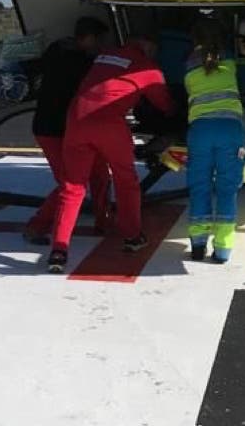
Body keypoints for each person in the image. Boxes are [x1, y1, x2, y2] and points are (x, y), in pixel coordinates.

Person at [46, 35, 175, 273]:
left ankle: (59, 250)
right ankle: (132, 236)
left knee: (72, 187)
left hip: (75, 121)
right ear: (148, 47)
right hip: (109, 124)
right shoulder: (149, 68)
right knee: (125, 180)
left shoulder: (106, 55)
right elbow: (164, 104)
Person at [23, 16, 112, 245]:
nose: (102, 46)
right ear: (90, 38)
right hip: (55, 130)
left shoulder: (58, 49)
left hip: (62, 128)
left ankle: (104, 222)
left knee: (98, 173)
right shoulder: (82, 63)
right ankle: (36, 226)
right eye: (100, 40)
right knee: (71, 183)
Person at [184, 18, 245, 264]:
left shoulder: (188, 63)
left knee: (199, 186)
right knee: (226, 189)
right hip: (230, 130)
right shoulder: (229, 59)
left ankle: (198, 246)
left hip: (199, 131)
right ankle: (222, 250)